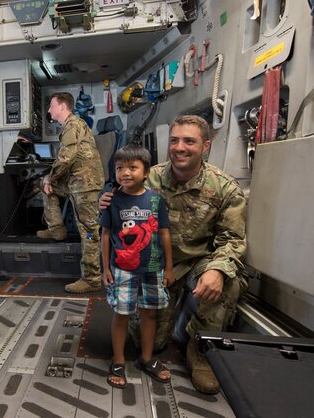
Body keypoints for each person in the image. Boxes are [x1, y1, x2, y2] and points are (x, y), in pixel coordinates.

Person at [99, 115, 247, 394]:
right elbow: (116, 207)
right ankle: (167, 330)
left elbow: (233, 239)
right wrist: (104, 201)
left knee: (229, 281)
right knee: (150, 342)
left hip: (197, 262)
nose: (180, 147)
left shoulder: (224, 188)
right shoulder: (147, 175)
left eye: (189, 141)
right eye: (175, 140)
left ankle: (201, 349)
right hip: (152, 265)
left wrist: (217, 268)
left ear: (206, 146)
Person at [101, 145, 173, 388]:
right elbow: (105, 235)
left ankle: (147, 358)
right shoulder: (112, 200)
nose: (125, 173)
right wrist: (105, 269)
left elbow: (164, 234)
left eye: (133, 167)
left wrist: (169, 268)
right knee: (122, 314)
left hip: (153, 268)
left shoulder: (155, 200)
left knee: (149, 313)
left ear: (146, 172)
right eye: (120, 168)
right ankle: (118, 360)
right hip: (122, 269)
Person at [37, 92, 105, 294]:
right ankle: (57, 229)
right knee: (45, 187)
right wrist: (50, 181)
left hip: (85, 184)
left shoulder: (72, 125)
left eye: (51, 105)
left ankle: (91, 279)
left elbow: (67, 157)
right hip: (77, 181)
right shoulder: (72, 125)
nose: (49, 110)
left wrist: (51, 177)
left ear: (62, 107)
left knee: (89, 231)